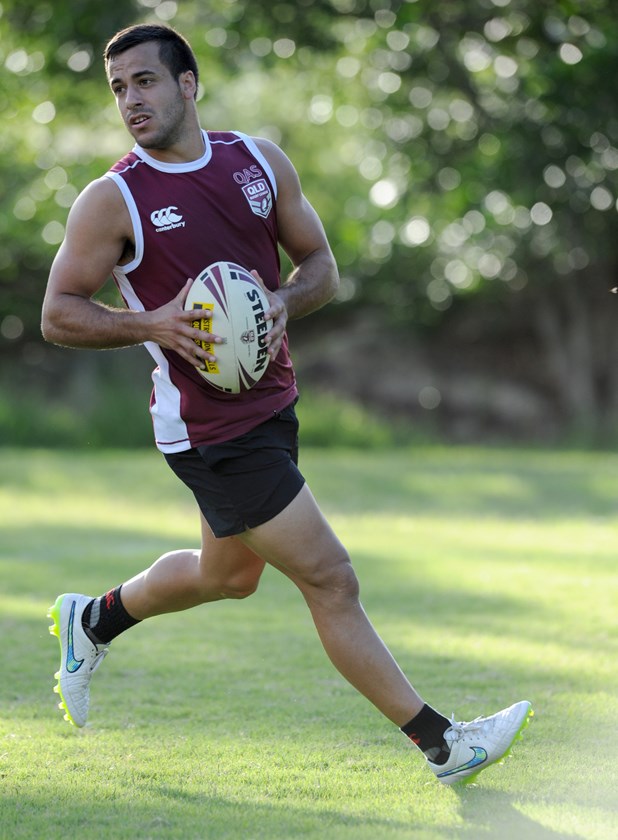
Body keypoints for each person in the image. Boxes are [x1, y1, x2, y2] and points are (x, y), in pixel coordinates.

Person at [41, 23, 532, 786]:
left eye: (144, 82)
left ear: (188, 84)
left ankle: (94, 619)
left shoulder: (256, 163)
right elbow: (59, 313)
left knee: (228, 576)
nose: (130, 101)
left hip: (271, 403)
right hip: (210, 430)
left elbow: (323, 267)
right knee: (331, 578)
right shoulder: (114, 200)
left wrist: (280, 299)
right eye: (118, 89)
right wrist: (154, 322)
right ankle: (444, 744)